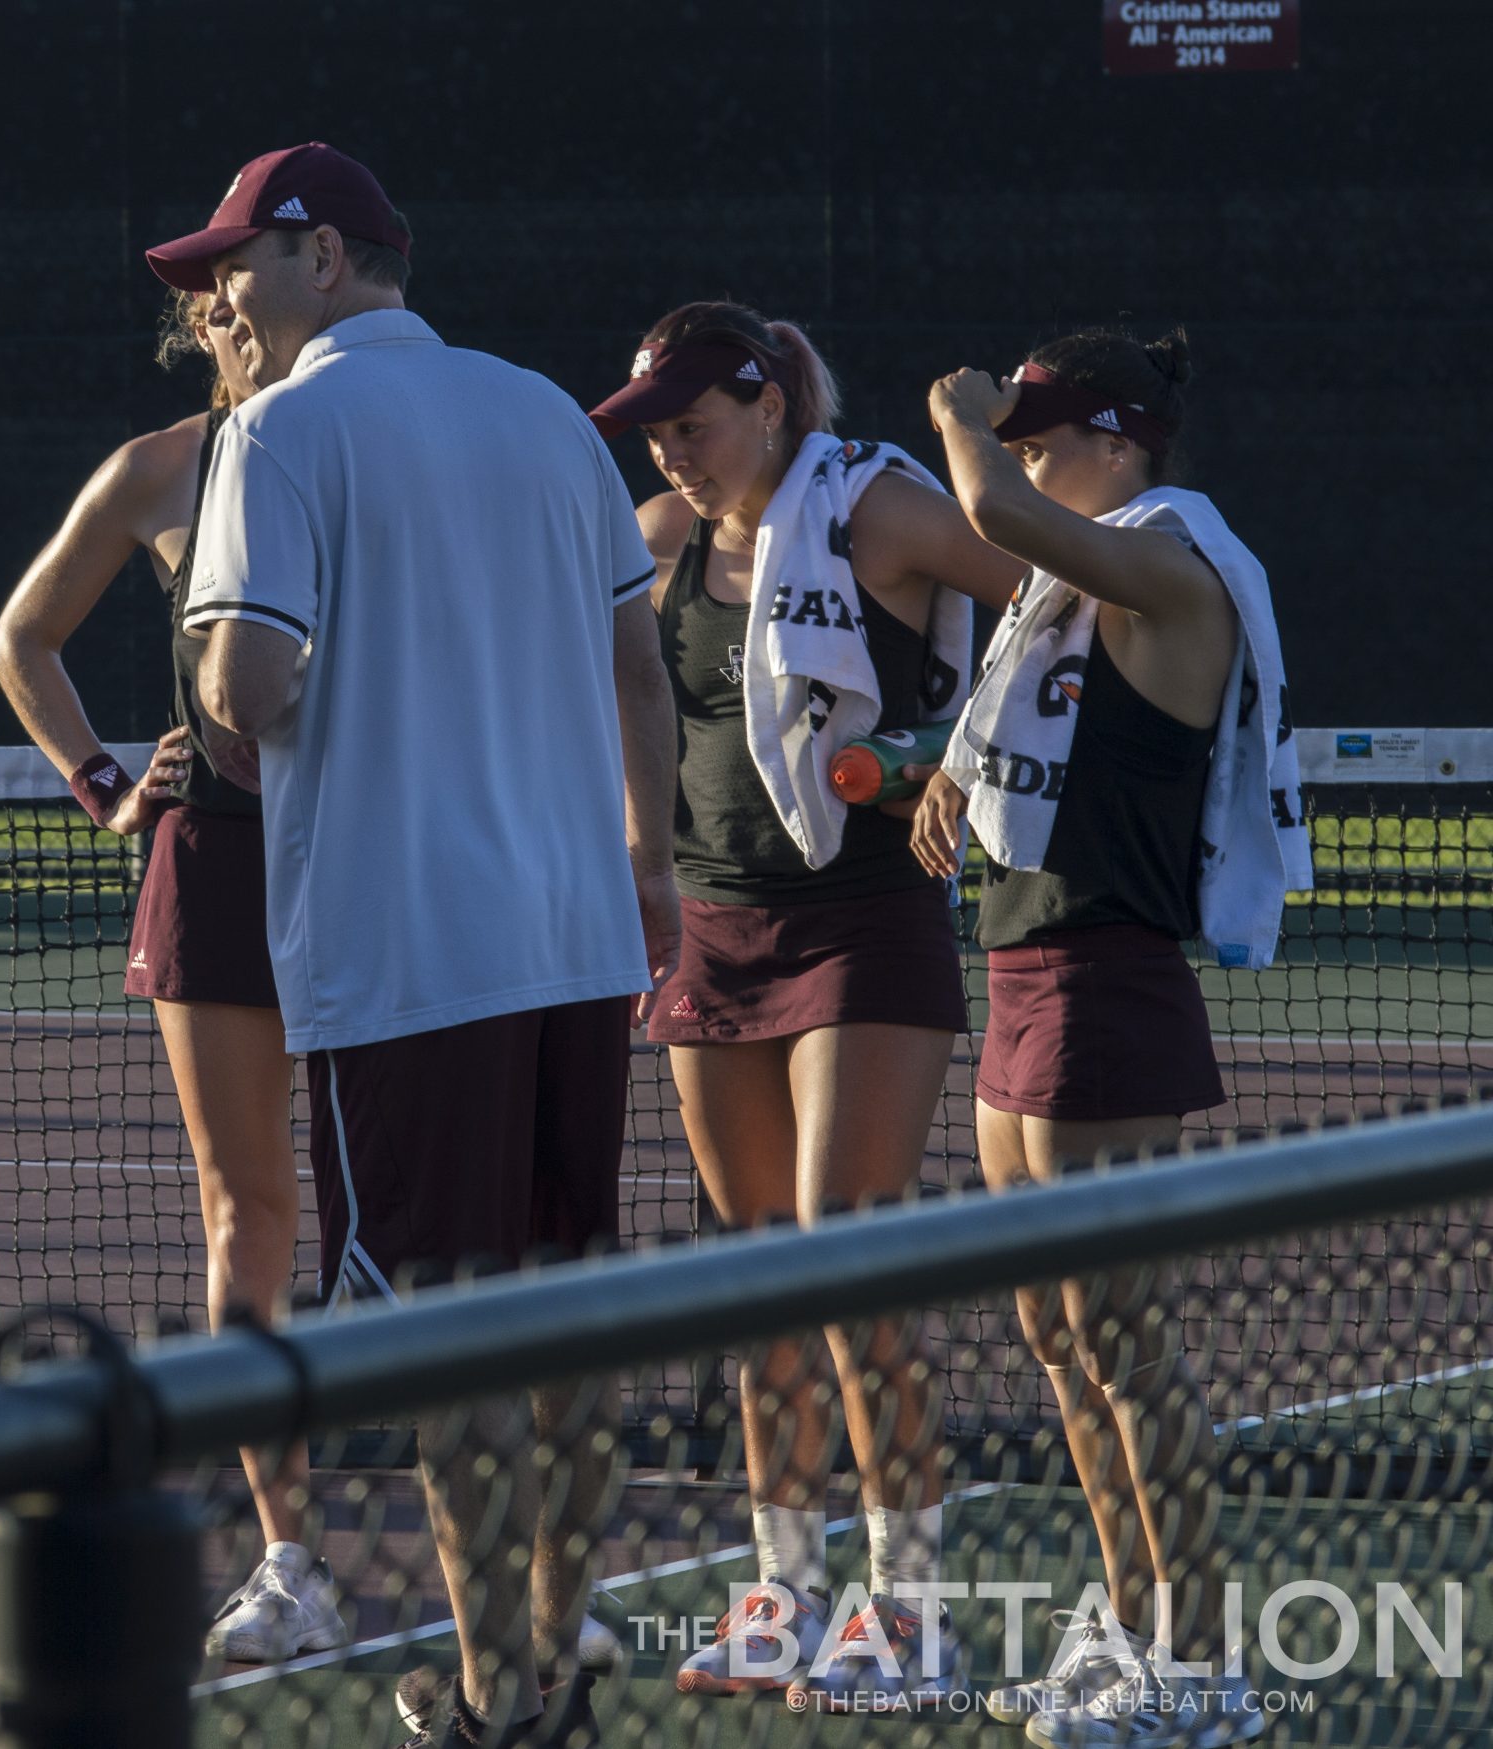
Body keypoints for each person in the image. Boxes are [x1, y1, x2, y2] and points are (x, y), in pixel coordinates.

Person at [150, 141, 677, 1747]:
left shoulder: (284, 426)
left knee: (454, 1335)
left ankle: (497, 1695)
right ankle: (551, 1666)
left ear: (319, 255)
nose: (219, 293)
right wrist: (647, 869)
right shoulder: (540, 410)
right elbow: (638, 667)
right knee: (564, 1309)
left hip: (412, 949)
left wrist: (240, 716)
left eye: (236, 260)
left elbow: (248, 679)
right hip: (575, 935)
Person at [585, 304, 1027, 1712]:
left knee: (849, 1260)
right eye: (656, 429)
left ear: (769, 403)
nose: (674, 449)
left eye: (693, 422)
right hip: (709, 934)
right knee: (763, 1274)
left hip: (866, 925)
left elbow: (1048, 589)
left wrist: (938, 748)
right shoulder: (658, 540)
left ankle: (912, 1606)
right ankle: (783, 1590)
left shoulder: (881, 508)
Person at [915, 330, 1301, 1747]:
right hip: (1024, 969)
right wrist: (957, 773)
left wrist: (959, 423)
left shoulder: (1176, 564)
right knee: (1056, 1336)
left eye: (1042, 433)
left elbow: (999, 519)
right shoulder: (1076, 589)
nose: (1017, 455)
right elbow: (1020, 574)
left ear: (1120, 443)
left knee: (1124, 1337)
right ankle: (1130, 1630)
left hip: (1106, 977)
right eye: (1010, 432)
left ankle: (1201, 1669)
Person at [0, 292, 355, 1663]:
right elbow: (22, 636)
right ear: (201, 320)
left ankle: (486, 1533)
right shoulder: (160, 468)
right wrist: (100, 781)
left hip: (379, 853)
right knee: (248, 1207)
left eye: (257, 277)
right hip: (216, 861)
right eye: (213, 295)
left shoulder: (366, 437)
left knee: (420, 1195)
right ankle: (290, 1555)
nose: (239, 314)